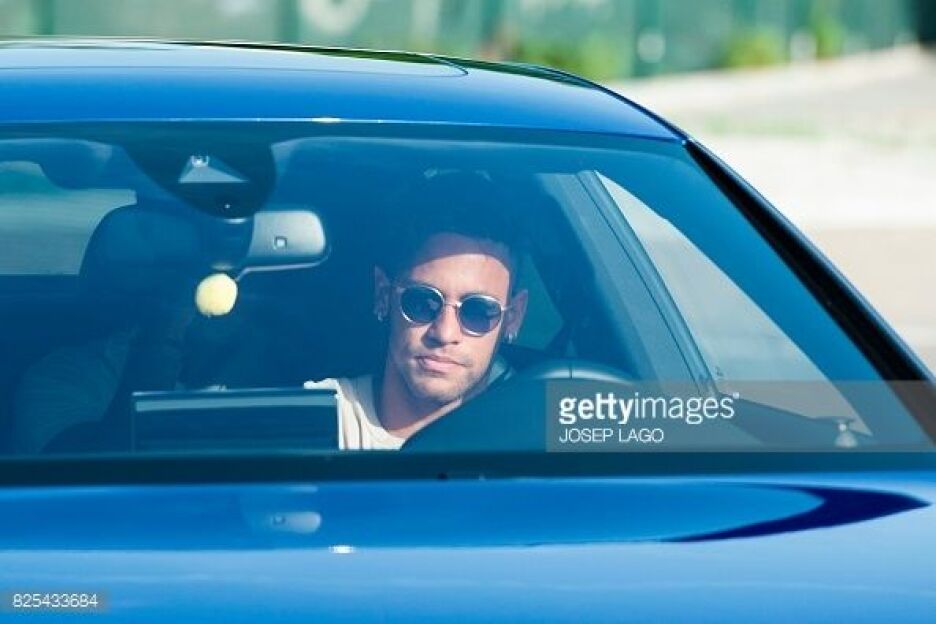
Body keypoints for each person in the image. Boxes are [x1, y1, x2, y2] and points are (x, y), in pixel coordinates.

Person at [306, 172, 528, 450]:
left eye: (478, 311)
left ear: (513, 317)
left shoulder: (540, 427)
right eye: (422, 302)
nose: (445, 333)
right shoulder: (318, 420)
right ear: (383, 295)